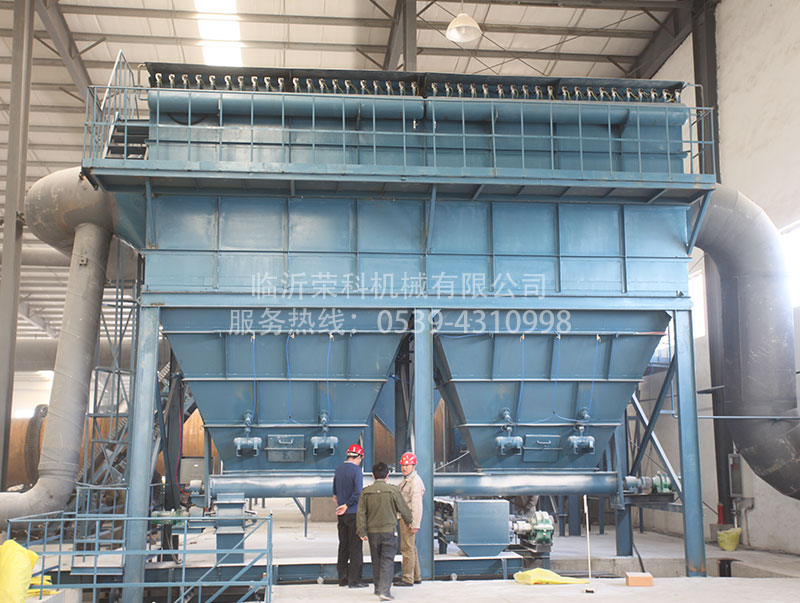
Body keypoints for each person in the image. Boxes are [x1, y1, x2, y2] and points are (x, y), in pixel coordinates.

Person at [356, 462, 413, 602]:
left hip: (373, 533)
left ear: (373, 476)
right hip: (389, 532)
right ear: (387, 476)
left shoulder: (366, 492)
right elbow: (404, 508)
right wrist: (409, 520)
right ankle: (385, 591)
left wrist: (362, 531)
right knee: (387, 561)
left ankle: (377, 588)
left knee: (376, 560)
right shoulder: (393, 490)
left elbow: (361, 513)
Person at [333, 443, 367, 588]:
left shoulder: (339, 469)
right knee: (355, 547)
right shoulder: (357, 471)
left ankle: (342, 578)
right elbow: (358, 492)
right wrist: (348, 505)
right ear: (358, 457)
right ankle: (355, 581)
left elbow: (335, 493)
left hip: (341, 514)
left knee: (343, 546)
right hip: (353, 513)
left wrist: (342, 504)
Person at [395, 451, 424, 586]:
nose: (404, 467)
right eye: (403, 465)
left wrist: (415, 524)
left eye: (407, 465)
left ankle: (407, 579)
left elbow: (417, 505)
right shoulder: (407, 480)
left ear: (414, 466)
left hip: (408, 520)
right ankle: (416, 576)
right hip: (405, 518)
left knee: (406, 549)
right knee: (411, 547)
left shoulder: (415, 482)